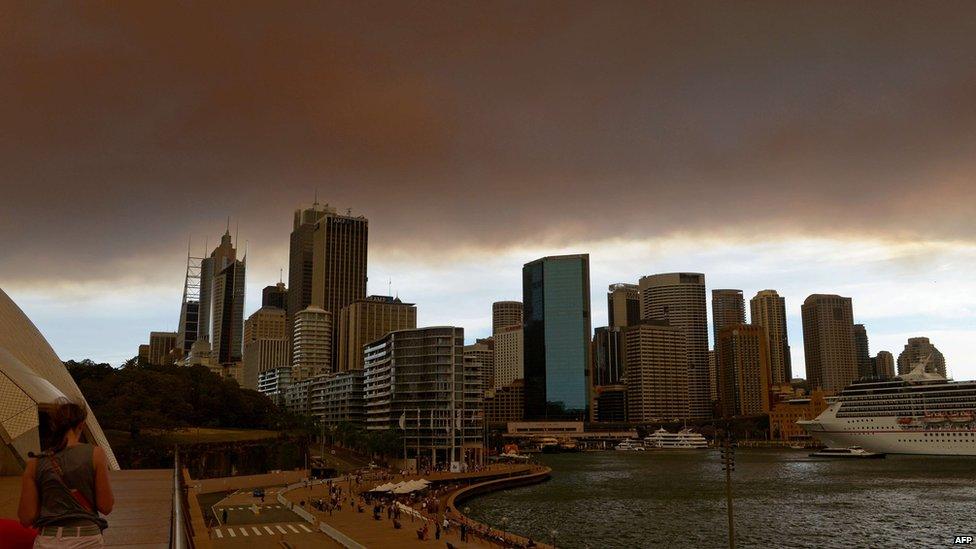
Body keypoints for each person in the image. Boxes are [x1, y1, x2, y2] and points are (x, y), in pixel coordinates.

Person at [18, 399, 114, 548]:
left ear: (53, 426)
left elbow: (26, 517)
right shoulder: (96, 454)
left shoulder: (35, 462)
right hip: (87, 538)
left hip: (49, 539)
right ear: (81, 425)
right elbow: (106, 506)